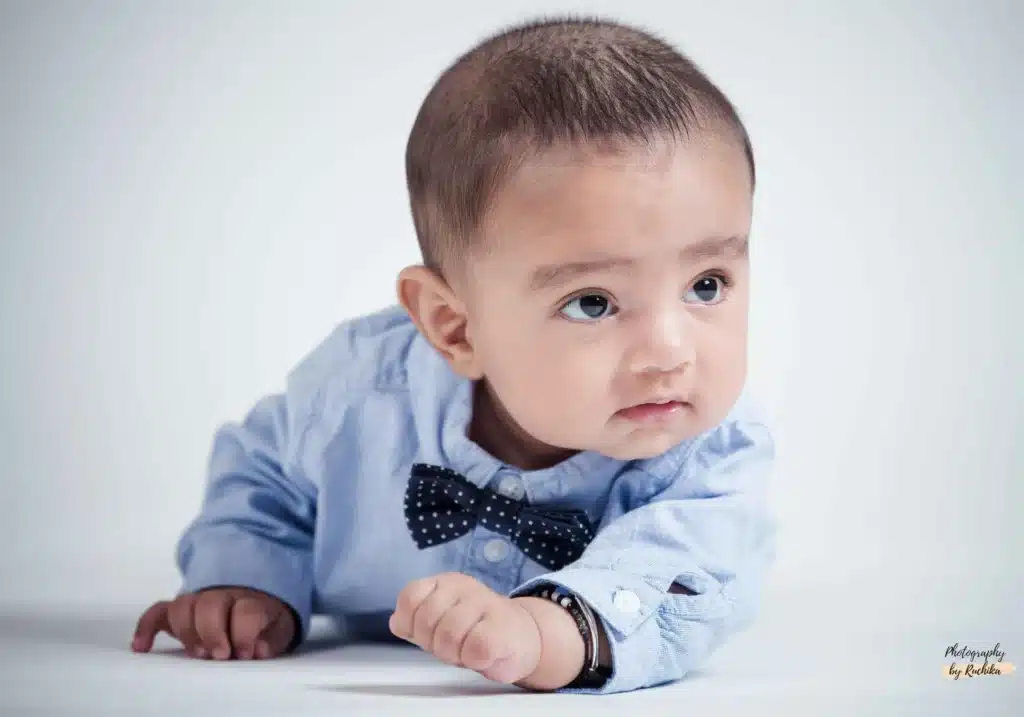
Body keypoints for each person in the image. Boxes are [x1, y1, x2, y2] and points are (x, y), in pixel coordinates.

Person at [131, 14, 778, 694]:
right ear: (455, 327)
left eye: (707, 285)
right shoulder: (359, 394)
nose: (670, 351)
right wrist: (245, 577)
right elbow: (266, 475)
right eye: (594, 302)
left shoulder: (710, 450)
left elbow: (677, 577)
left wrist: (541, 633)